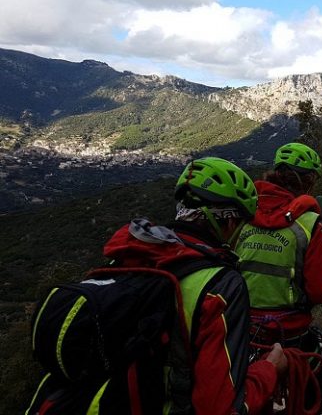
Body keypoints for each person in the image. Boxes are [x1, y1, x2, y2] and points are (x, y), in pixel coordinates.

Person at [28, 157, 286, 415]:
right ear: (229, 222)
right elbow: (219, 407)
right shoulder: (221, 285)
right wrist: (270, 369)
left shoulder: (130, 257)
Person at [234, 142, 322, 413]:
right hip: (291, 331)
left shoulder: (242, 214)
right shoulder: (309, 222)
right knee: (314, 394)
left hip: (240, 328)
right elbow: (320, 290)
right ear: (309, 182)